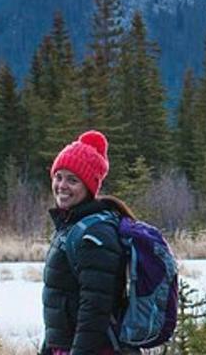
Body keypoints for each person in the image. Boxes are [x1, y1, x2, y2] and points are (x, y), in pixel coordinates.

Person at [40, 130, 137, 355]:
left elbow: (95, 308)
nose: (62, 185)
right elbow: (62, 301)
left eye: (72, 180)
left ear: (89, 187)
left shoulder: (95, 234)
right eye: (58, 176)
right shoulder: (71, 226)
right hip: (67, 347)